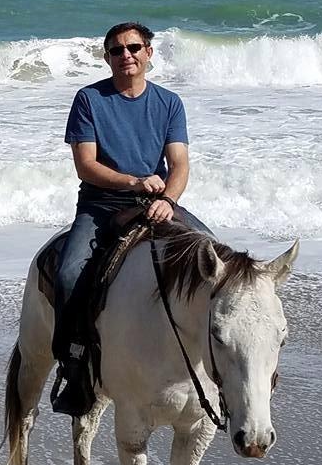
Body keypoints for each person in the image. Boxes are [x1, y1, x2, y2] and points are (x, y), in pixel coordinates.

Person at [52, 21, 209, 418]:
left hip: (157, 201)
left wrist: (169, 200)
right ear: (107, 57)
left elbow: (179, 163)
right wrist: (134, 180)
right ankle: (75, 365)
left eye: (134, 48)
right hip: (101, 204)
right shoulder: (89, 99)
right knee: (70, 273)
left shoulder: (169, 103)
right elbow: (86, 166)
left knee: (212, 256)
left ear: (149, 53)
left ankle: (212, 360)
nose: (127, 56)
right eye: (117, 50)